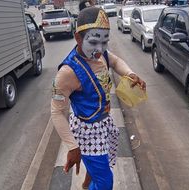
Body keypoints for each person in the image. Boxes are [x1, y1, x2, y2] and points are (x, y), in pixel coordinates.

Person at [51, 7, 146, 190]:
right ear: (78, 37)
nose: (100, 50)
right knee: (105, 182)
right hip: (87, 132)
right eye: (94, 42)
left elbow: (116, 61)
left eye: (105, 42)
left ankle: (87, 183)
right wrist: (72, 147)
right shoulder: (67, 72)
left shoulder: (101, 53)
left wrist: (130, 74)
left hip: (104, 122)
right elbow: (56, 112)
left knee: (105, 162)